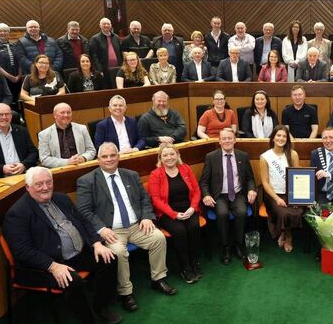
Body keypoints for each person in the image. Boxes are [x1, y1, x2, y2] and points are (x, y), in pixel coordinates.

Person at [3, 167, 120, 324]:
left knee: (109, 258)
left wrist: (96, 243)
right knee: (74, 280)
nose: (45, 187)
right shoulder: (17, 213)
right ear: (27, 187)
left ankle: (99, 308)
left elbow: (83, 221)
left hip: (77, 254)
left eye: (48, 182)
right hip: (45, 266)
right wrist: (53, 266)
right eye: (39, 184)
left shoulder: (61, 198)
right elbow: (22, 251)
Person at [76, 142, 177, 313]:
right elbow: (83, 210)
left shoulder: (131, 175)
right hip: (111, 231)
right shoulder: (87, 181)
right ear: (98, 159)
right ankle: (125, 293)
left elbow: (145, 199)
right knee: (118, 252)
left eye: (112, 155)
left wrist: (146, 217)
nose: (109, 159)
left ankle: (158, 278)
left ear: (118, 156)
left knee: (158, 238)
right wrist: (101, 229)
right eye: (104, 156)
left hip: (136, 226)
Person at [200, 128, 257, 264]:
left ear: (235, 140)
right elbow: (203, 181)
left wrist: (251, 190)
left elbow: (250, 178)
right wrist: (206, 195)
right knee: (222, 214)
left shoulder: (243, 156)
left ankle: (238, 245)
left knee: (242, 212)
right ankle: (225, 247)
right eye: (224, 138)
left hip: (237, 194)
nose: (227, 141)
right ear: (219, 141)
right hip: (219, 195)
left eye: (230, 138)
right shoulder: (211, 157)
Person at [147, 144, 202, 284]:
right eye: (165, 155)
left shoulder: (186, 169)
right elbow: (156, 200)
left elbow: (196, 191)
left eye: (172, 154)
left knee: (194, 228)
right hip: (168, 213)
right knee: (180, 231)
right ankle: (185, 268)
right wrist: (174, 214)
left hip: (188, 209)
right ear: (160, 158)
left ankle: (194, 263)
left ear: (177, 155)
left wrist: (192, 208)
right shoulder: (155, 174)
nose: (169, 157)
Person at [260, 125, 304, 253]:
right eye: (278, 135)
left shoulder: (293, 154)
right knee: (283, 212)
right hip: (273, 194)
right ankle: (288, 235)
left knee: (298, 211)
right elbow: (265, 182)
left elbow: (297, 177)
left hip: (291, 193)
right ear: (273, 138)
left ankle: (285, 233)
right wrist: (277, 198)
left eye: (284, 136)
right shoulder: (265, 157)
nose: (281, 138)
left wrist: (297, 198)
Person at [38, 103, 96, 169]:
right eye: (62, 112)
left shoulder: (82, 129)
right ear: (54, 115)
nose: (66, 115)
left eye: (69, 112)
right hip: (59, 171)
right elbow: (44, 159)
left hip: (81, 167)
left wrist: (84, 158)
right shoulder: (44, 134)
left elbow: (91, 150)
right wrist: (67, 162)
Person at [0, 23, 22, 106]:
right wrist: (9, 76)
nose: (3, 33)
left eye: (5, 31)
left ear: (8, 32)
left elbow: (20, 60)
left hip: (17, 78)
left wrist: (19, 75)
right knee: (7, 100)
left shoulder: (14, 44)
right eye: (0, 31)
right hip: (2, 78)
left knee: (18, 99)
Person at [89, 17, 123, 89]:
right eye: (104, 24)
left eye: (108, 24)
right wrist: (99, 70)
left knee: (117, 87)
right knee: (107, 88)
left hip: (117, 68)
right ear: (100, 25)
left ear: (111, 25)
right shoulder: (95, 39)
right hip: (104, 70)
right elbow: (93, 56)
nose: (106, 25)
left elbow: (120, 52)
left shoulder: (116, 37)